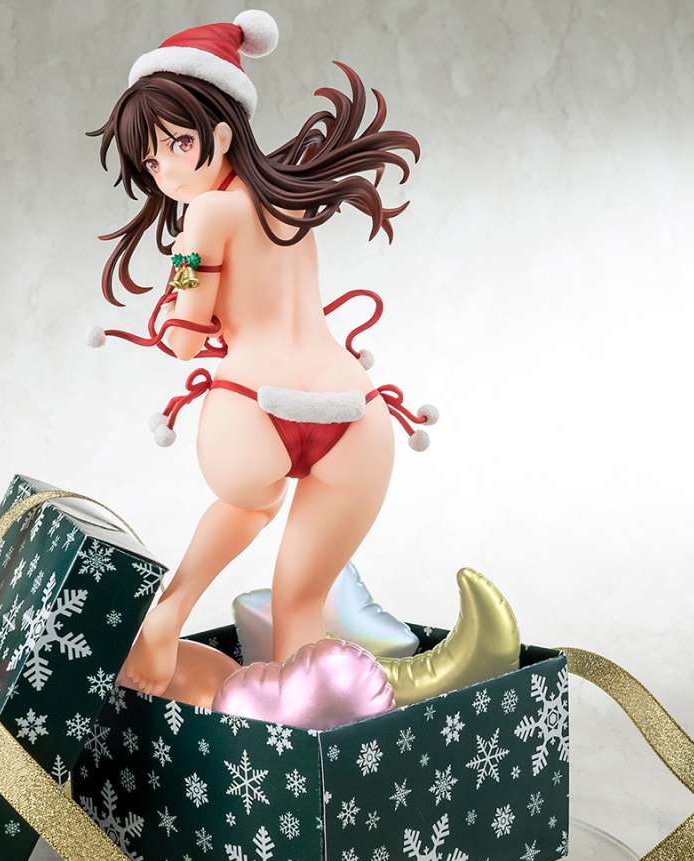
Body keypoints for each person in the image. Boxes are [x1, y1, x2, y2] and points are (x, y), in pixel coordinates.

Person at [86, 10, 437, 695]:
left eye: (176, 146)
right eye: (150, 161)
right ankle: (303, 725)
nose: (165, 173)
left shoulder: (205, 214)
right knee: (299, 604)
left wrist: (181, 307)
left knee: (248, 504)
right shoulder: (290, 204)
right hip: (357, 414)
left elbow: (184, 335)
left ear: (220, 134)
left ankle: (167, 615)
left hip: (256, 404)